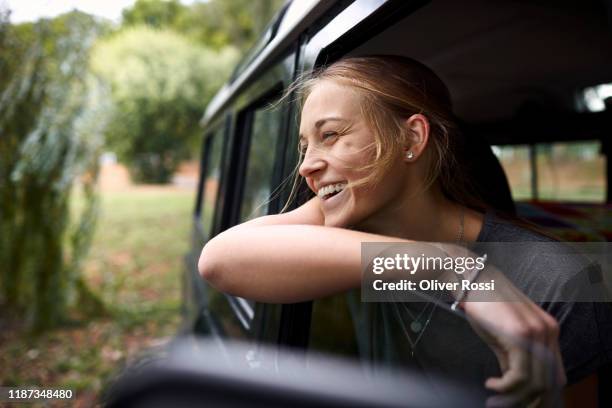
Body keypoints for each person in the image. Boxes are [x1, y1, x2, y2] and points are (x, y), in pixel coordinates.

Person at [199, 55, 611, 406]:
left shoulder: (559, 278)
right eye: (305, 146)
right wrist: (451, 265)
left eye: (331, 135)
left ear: (411, 137)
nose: (306, 165)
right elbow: (218, 259)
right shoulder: (341, 221)